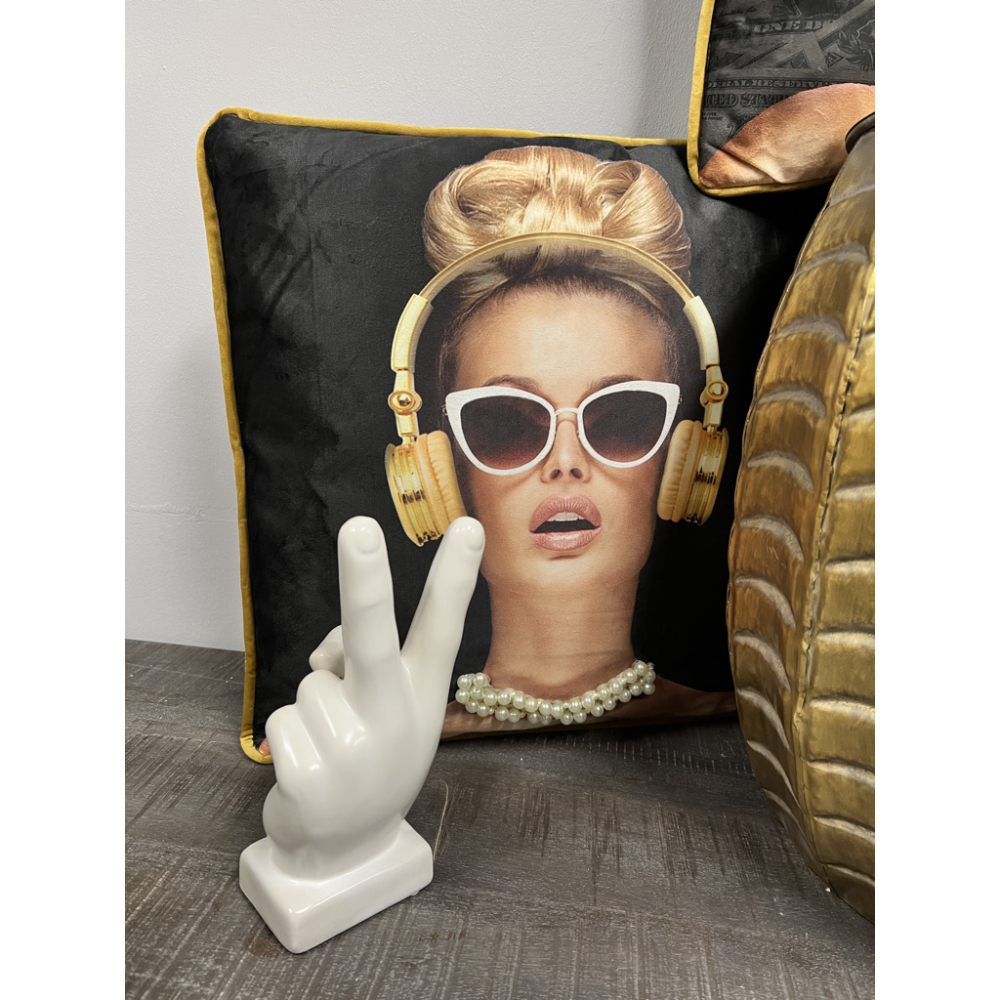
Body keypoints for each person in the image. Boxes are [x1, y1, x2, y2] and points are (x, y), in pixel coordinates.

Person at [414, 145, 735, 735]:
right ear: (442, 471)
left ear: (685, 463)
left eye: (621, 418)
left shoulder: (733, 715)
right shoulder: (397, 731)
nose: (566, 462)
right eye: (508, 423)